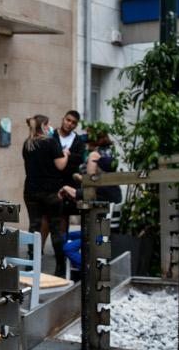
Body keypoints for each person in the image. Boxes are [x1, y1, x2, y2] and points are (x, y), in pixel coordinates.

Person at [58, 131, 121, 278]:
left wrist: (67, 188)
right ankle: (78, 271)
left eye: (94, 163)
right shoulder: (111, 184)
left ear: (100, 168)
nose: (91, 166)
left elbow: (80, 194)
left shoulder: (103, 185)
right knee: (64, 236)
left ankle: (91, 271)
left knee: (68, 248)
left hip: (98, 233)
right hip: (100, 229)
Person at [22, 114, 70, 275]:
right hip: (51, 191)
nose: (51, 128)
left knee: (34, 226)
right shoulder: (51, 142)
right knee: (55, 228)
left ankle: (31, 264)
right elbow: (60, 165)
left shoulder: (28, 144)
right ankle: (60, 267)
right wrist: (66, 154)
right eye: (48, 125)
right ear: (43, 126)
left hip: (31, 190)